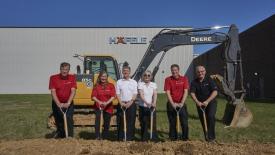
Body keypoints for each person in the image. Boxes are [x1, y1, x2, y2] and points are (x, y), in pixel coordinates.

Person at [190, 65, 218, 142]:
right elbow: (192, 93)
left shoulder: (209, 80)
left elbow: (215, 92)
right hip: (200, 104)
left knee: (211, 116)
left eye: (202, 71)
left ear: (205, 72)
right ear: (196, 73)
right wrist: (197, 102)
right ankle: (207, 138)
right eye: (198, 72)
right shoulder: (194, 82)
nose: (200, 73)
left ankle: (211, 138)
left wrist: (207, 101)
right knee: (203, 119)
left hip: (211, 102)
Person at [49, 62, 77, 138]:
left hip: (69, 102)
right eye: (63, 69)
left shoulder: (72, 77)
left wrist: (68, 102)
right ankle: (61, 136)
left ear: (69, 70)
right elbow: (53, 91)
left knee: (69, 118)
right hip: (57, 102)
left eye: (66, 69)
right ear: (60, 69)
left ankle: (70, 136)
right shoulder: (53, 78)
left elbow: (73, 91)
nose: (64, 71)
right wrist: (58, 103)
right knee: (59, 120)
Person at [164, 64, 189, 141]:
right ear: (171, 71)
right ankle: (173, 138)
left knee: (184, 122)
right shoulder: (168, 79)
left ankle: (185, 138)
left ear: (178, 70)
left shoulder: (184, 79)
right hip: (171, 104)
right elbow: (168, 92)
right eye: (172, 70)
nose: (174, 71)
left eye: (175, 70)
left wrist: (181, 103)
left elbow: (186, 91)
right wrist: (172, 104)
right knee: (172, 122)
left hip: (181, 103)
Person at [91, 71, 116, 140]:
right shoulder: (96, 86)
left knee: (106, 123)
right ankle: (97, 136)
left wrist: (106, 103)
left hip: (108, 107)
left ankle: (105, 137)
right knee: (98, 123)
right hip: (98, 107)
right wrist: (99, 102)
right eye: (102, 76)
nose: (103, 78)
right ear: (99, 77)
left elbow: (113, 96)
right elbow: (93, 96)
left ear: (107, 77)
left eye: (105, 76)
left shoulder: (111, 85)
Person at [116, 65, 138, 141]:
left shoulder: (134, 82)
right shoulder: (119, 82)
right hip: (121, 104)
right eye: (124, 71)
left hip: (131, 104)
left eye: (127, 71)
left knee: (131, 121)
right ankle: (121, 137)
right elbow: (118, 94)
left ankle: (130, 138)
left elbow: (135, 94)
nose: (125, 72)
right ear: (122, 72)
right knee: (121, 121)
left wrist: (130, 102)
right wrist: (121, 103)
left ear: (129, 72)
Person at [137, 70, 158, 141]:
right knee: (144, 123)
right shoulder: (140, 84)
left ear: (151, 77)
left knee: (153, 123)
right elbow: (141, 95)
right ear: (143, 77)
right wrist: (147, 103)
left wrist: (154, 103)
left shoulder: (153, 84)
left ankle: (154, 138)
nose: (147, 77)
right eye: (145, 75)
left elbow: (155, 94)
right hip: (143, 107)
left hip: (152, 106)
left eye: (149, 75)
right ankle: (144, 138)